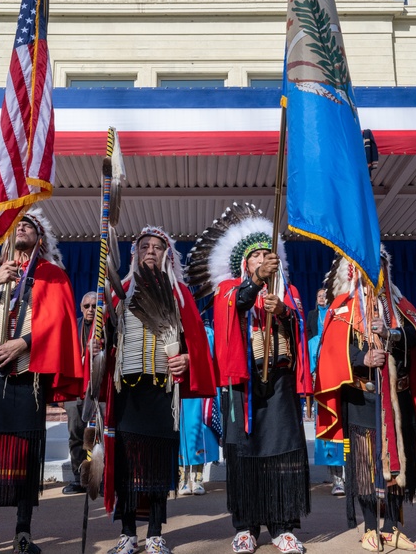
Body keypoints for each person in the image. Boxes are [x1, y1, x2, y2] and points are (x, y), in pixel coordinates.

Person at [186, 204, 312, 554]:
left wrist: (283, 310)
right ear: (244, 263)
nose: (260, 258)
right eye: (254, 255)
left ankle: (283, 527)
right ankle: (245, 527)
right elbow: (237, 303)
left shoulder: (289, 292)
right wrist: (255, 284)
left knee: (282, 454)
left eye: (265, 254)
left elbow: (301, 328)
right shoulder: (228, 288)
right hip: (243, 387)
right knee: (244, 456)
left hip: (281, 387)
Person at [0, 209, 82, 554]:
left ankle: (23, 532)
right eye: (16, 225)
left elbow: (60, 323)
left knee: (25, 457)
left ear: (40, 239)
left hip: (29, 380)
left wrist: (24, 342)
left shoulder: (52, 274)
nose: (22, 227)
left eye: (29, 225)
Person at [101, 226, 216, 554]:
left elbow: (196, 340)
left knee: (157, 466)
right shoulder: (118, 291)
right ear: (135, 253)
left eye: (158, 247)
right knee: (126, 465)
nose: (150, 251)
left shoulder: (179, 293)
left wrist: (187, 360)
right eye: (144, 247)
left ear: (168, 254)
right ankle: (127, 534)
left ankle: (154, 534)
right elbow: (106, 342)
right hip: (127, 392)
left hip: (162, 392)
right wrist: (98, 337)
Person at [316, 252, 416, 552]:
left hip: (399, 400)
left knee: (401, 464)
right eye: (365, 266)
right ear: (352, 271)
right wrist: (362, 358)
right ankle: (370, 527)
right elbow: (331, 352)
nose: (374, 271)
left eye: (380, 265)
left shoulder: (401, 306)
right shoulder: (342, 308)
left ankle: (393, 526)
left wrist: (392, 333)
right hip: (363, 399)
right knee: (364, 468)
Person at [177, 320, 220, 497]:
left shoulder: (207, 332)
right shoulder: (173, 328)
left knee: (201, 431)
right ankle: (183, 477)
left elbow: (209, 355)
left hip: (200, 387)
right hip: (180, 386)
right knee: (181, 431)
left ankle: (198, 477)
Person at [307, 310, 345, 498]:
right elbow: (310, 370)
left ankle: (352, 476)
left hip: (346, 393)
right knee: (330, 435)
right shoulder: (314, 343)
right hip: (325, 395)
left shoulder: (343, 338)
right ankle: (337, 479)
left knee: (348, 434)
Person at [62, 290, 97, 496]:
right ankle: (78, 479)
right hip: (75, 391)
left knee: (98, 436)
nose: (91, 310)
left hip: (97, 391)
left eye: (95, 306)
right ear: (81, 308)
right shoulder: (71, 328)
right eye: (87, 306)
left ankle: (98, 480)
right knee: (76, 435)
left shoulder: (106, 327)